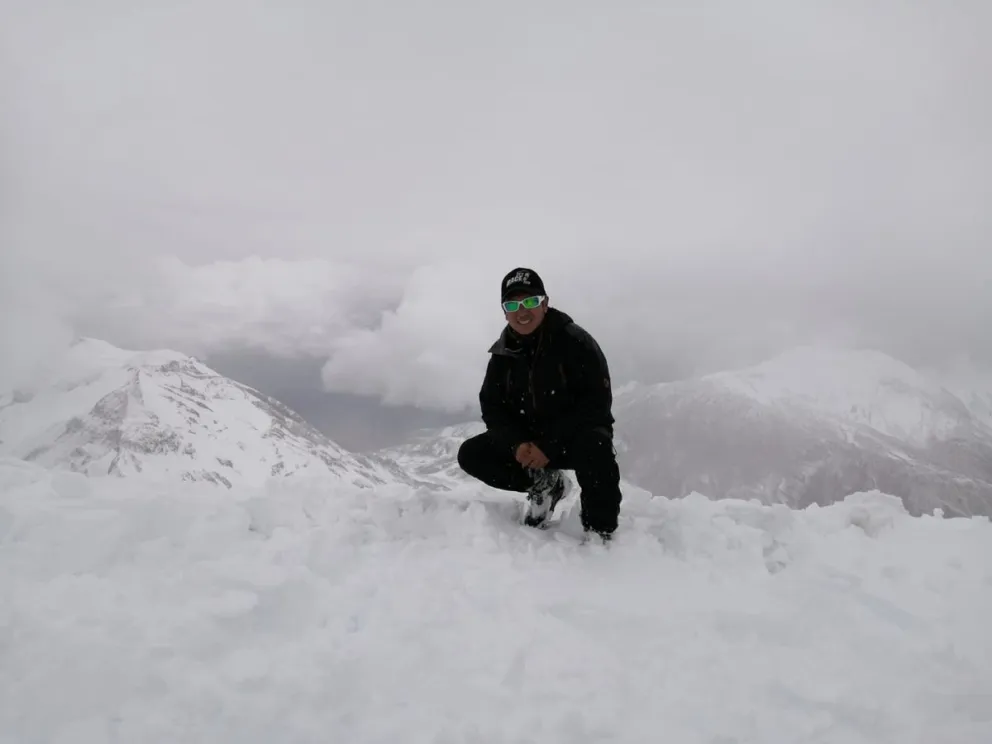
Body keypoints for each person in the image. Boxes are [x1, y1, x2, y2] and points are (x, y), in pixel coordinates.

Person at [457, 266, 622, 540]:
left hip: (572, 438)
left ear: (545, 304)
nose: (522, 312)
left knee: (596, 445)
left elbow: (595, 406)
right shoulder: (502, 355)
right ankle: (546, 483)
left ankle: (600, 532)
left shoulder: (575, 342)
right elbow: (493, 409)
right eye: (512, 304)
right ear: (504, 311)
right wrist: (517, 444)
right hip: (529, 443)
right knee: (472, 454)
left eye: (530, 302)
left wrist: (549, 446)